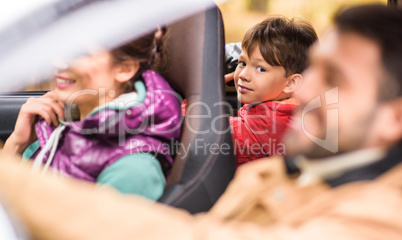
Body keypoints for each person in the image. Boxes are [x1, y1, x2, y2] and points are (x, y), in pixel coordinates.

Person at [0, 4, 402, 239]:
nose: (308, 90)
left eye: (334, 80)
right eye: (314, 70)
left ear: (395, 117)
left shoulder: (379, 220)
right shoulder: (276, 176)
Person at [2, 28, 182, 200]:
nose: (58, 62)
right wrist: (16, 146)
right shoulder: (64, 127)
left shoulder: (133, 171)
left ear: (125, 69)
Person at [225, 17, 317, 167]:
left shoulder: (262, 127)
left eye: (260, 69)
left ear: (291, 83)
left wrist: (195, 93)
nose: (242, 75)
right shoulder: (295, 113)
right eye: (242, 63)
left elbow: (200, 135)